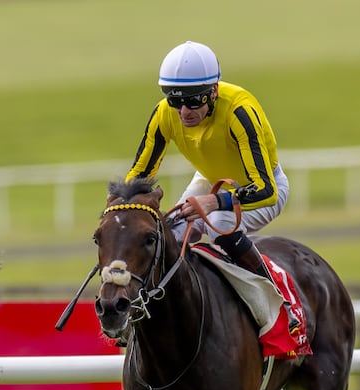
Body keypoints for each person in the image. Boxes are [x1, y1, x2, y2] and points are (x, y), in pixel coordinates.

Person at [125, 41, 297, 332]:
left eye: (193, 101)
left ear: (214, 91)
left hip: (264, 191)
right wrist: (123, 206)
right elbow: (140, 173)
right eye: (175, 100)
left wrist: (214, 202)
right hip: (208, 180)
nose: (184, 112)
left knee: (218, 224)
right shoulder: (164, 113)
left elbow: (264, 188)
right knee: (165, 233)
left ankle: (278, 299)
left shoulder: (240, 112)